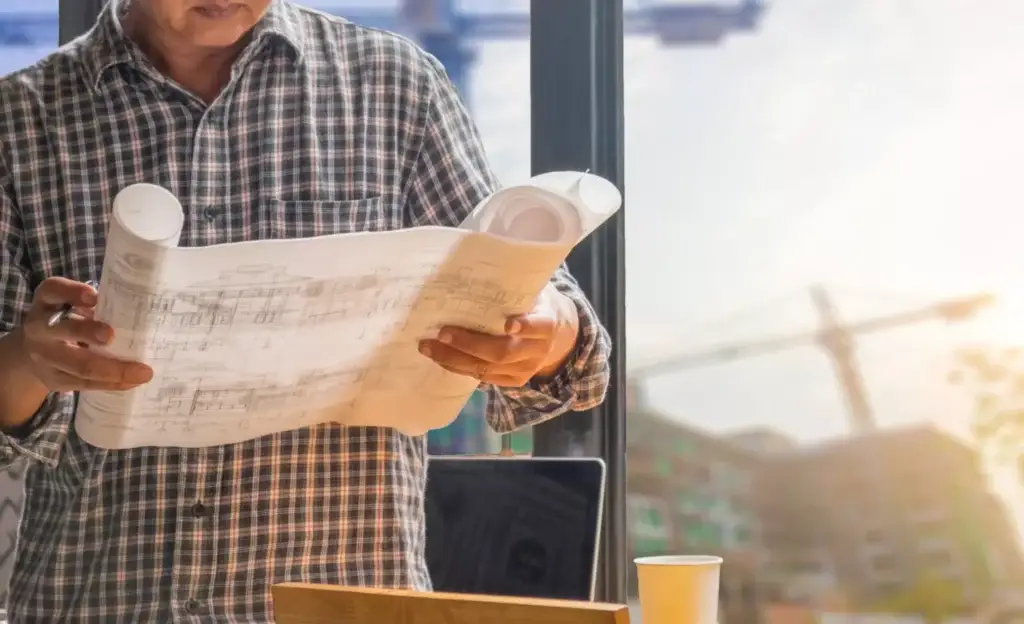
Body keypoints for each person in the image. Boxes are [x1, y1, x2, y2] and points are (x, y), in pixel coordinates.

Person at [0, 0, 611, 621]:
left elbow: (567, 341)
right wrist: (29, 355)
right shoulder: (20, 117)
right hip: (96, 600)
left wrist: (547, 335)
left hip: (344, 601)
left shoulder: (394, 86)